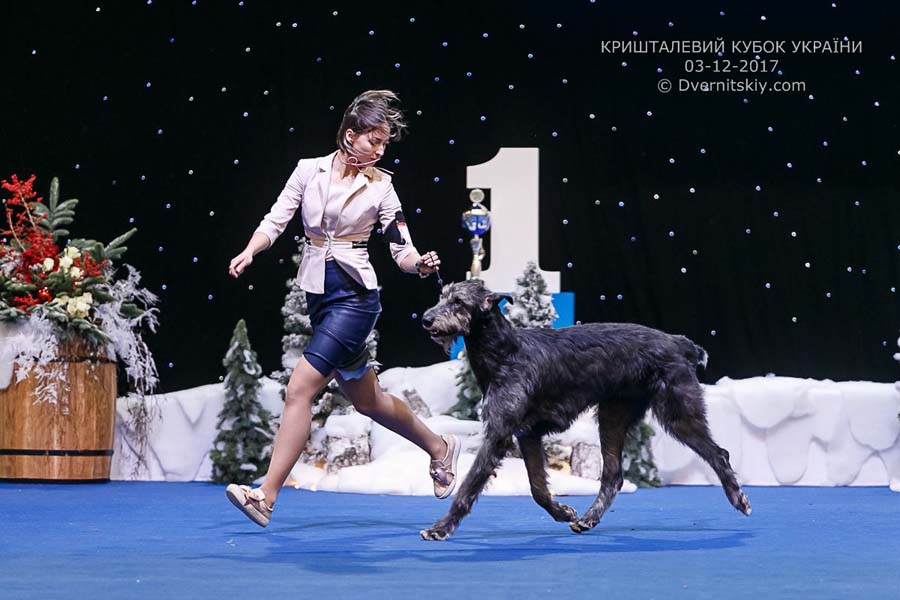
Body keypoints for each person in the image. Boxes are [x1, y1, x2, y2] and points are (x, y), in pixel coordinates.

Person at [225, 90, 460, 527]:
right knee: (369, 400)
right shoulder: (307, 171)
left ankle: (266, 496)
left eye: (385, 143)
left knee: (300, 390)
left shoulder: (382, 186)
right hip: (320, 295)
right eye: (374, 141)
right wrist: (250, 250)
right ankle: (439, 448)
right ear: (350, 136)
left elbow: (399, 245)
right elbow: (276, 218)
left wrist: (420, 264)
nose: (380, 150)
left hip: (356, 300)